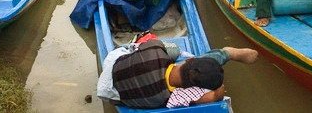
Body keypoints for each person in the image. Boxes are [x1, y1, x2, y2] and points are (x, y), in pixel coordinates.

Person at [97, 37, 258, 109]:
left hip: (113, 69)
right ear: (192, 90)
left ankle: (226, 53)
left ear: (187, 61)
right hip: (115, 93)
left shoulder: (155, 49)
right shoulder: (168, 98)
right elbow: (218, 93)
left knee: (173, 49)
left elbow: (141, 49)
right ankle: (226, 54)